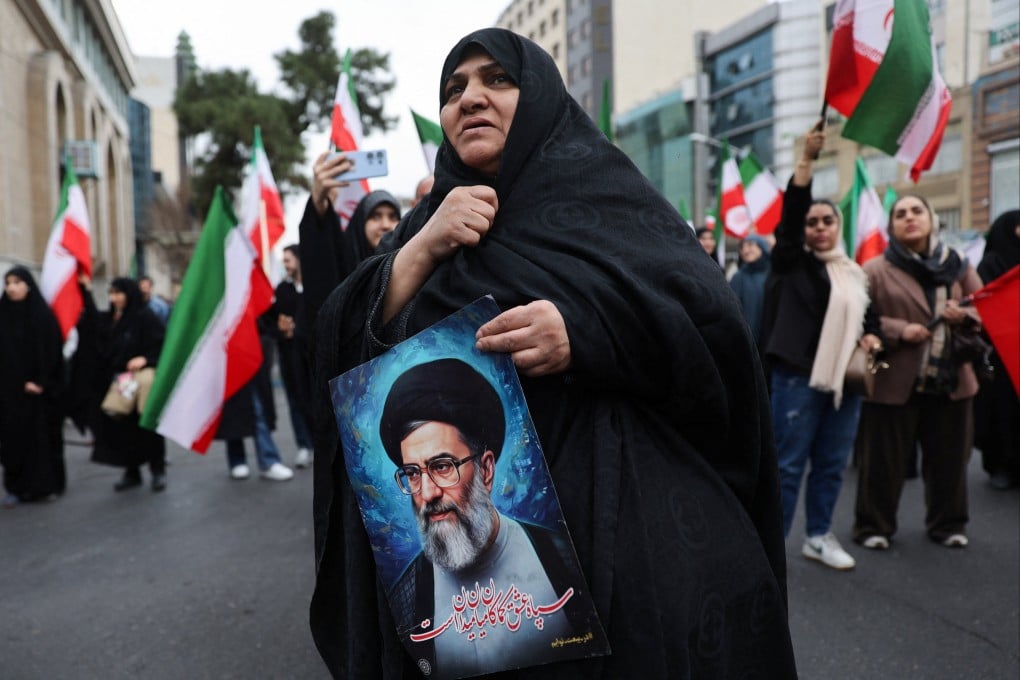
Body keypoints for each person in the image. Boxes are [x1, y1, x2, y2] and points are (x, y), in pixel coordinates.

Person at [309, 29, 796, 678]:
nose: (470, 98)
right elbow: (338, 350)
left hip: (632, 544)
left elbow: (716, 330)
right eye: (454, 89)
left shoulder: (608, 198)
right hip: (470, 601)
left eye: (497, 79)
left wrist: (586, 333)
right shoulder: (422, 229)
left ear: (540, 98)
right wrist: (423, 248)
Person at [380, 358, 580, 676]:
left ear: (485, 470)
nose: (427, 493)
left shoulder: (564, 559)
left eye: (442, 466)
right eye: (413, 473)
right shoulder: (406, 595)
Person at [759, 125, 881, 571]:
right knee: (789, 467)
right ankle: (769, 550)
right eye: (813, 223)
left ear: (838, 226)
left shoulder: (852, 272)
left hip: (844, 383)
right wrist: (806, 162)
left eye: (828, 221)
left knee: (831, 464)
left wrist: (872, 337)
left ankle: (818, 537)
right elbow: (792, 218)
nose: (820, 227)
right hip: (798, 378)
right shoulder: (791, 261)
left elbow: (870, 317)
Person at [853, 195, 984, 549]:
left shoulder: (958, 265)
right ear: (891, 226)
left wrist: (963, 316)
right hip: (893, 379)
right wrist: (899, 330)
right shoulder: (874, 269)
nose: (909, 217)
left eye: (917, 211)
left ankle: (948, 525)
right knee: (883, 462)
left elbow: (981, 308)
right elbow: (861, 320)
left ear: (931, 218)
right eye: (900, 214)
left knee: (950, 461)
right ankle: (873, 527)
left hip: (951, 378)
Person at [298, 154, 402, 334]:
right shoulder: (346, 268)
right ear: (360, 222)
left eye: (393, 217)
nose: (385, 224)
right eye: (375, 216)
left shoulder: (415, 264)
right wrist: (319, 204)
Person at [85, 277, 167, 492]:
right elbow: (95, 329)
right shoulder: (112, 318)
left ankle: (157, 470)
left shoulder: (144, 317)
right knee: (124, 430)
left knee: (148, 426)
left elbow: (161, 344)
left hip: (140, 382)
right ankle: (132, 472)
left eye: (118, 293)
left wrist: (146, 359)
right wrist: (86, 291)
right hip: (119, 383)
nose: (114, 298)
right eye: (111, 293)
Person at [0, 266, 66, 507]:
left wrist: (41, 382)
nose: (11, 288)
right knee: (12, 441)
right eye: (8, 283)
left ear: (28, 285)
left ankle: (45, 486)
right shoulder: (3, 316)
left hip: (38, 394)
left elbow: (52, 354)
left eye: (17, 282)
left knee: (41, 440)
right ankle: (15, 487)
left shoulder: (42, 317)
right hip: (9, 393)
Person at [214, 315, 294, 482]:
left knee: (257, 408)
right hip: (225, 350)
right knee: (233, 408)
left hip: (250, 348)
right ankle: (240, 459)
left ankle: (266, 460)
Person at [974, 209, 1020, 489]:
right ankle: (1001, 465)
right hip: (1002, 353)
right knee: (1002, 411)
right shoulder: (991, 263)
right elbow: (988, 302)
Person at [274, 244, 313, 468]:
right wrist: (282, 328)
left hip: (312, 355)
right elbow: (274, 320)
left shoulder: (315, 285)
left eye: (288, 260)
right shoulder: (282, 290)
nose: (285, 265)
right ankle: (304, 445)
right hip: (290, 356)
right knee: (296, 400)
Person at [729, 233, 771, 345]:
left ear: (762, 247)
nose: (745, 250)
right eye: (742, 247)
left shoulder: (773, 275)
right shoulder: (738, 277)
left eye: (750, 245)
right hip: (747, 340)